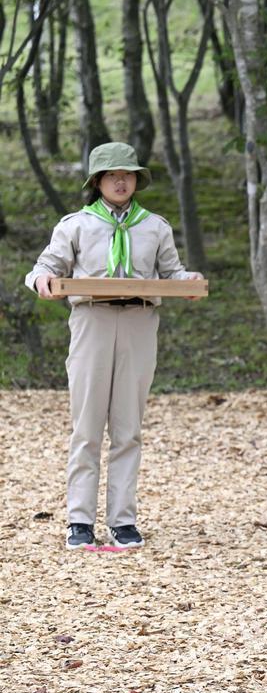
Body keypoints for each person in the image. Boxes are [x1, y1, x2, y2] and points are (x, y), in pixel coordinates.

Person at [25, 142, 203, 551]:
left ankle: (123, 521)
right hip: (92, 320)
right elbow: (44, 267)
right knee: (87, 425)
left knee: (128, 427)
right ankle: (80, 521)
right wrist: (42, 282)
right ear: (97, 182)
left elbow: (172, 272)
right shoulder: (76, 225)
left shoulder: (155, 226)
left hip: (140, 322)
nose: (121, 181)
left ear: (137, 179)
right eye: (111, 175)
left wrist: (189, 282)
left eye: (128, 174)